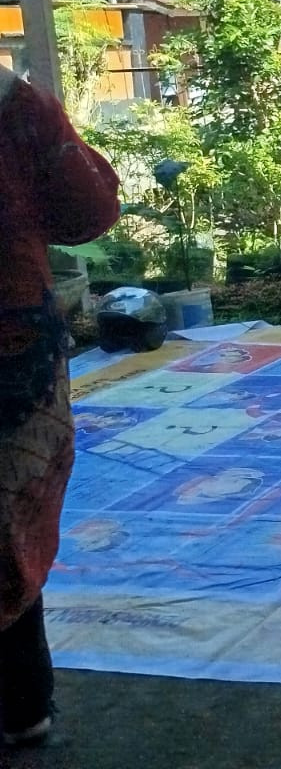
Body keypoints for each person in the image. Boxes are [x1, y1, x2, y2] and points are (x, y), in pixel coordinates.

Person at [0, 65, 121, 747]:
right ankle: (22, 704)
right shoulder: (13, 109)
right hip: (11, 351)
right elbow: (89, 209)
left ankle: (21, 702)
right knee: (8, 519)